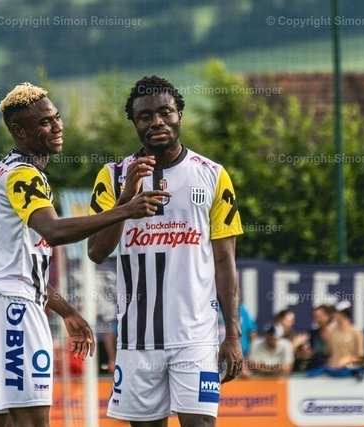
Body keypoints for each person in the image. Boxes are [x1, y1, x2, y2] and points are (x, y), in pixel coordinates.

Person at [0, 82, 168, 427]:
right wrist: (126, 209)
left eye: (56, 117)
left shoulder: (5, 169)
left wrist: (66, 310)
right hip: (13, 308)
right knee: (34, 422)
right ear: (19, 131)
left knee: (1, 423)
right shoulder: (23, 175)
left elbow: (17, 266)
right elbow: (54, 231)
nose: (57, 127)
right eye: (45, 122)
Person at [87, 75, 244, 427]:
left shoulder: (213, 175)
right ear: (135, 123)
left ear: (179, 115)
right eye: (145, 116)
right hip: (137, 340)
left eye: (165, 112)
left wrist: (232, 334)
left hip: (196, 338)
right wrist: (126, 199)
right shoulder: (112, 176)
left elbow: (225, 262)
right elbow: (96, 251)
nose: (156, 122)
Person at [306, 301, 364, 379]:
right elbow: (327, 353)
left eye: (336, 313)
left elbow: (361, 356)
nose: (334, 315)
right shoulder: (332, 333)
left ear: (342, 315)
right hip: (332, 374)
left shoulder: (357, 333)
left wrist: (347, 360)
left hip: (349, 376)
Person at [294, 304, 334, 372]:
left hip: (333, 370)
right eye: (316, 317)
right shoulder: (312, 335)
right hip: (315, 370)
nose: (317, 319)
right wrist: (304, 354)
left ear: (328, 315)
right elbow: (301, 354)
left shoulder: (338, 334)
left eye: (320, 316)